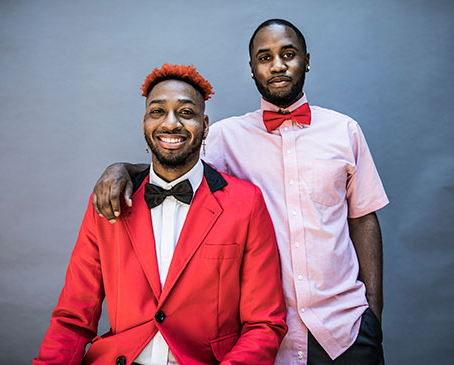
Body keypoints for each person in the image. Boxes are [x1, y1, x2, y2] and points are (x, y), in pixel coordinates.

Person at [92, 19, 389, 365]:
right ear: (252, 69)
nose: (277, 65)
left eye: (288, 54)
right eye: (265, 57)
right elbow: (175, 165)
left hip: (345, 329)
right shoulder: (223, 137)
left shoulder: (345, 131)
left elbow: (364, 221)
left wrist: (374, 315)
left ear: (306, 60)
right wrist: (122, 169)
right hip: (265, 336)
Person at [34, 64, 287, 365]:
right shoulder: (107, 201)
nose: (171, 124)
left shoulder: (246, 204)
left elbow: (264, 324)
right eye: (157, 112)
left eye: (186, 112)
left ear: (205, 125)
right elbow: (72, 320)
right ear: (144, 123)